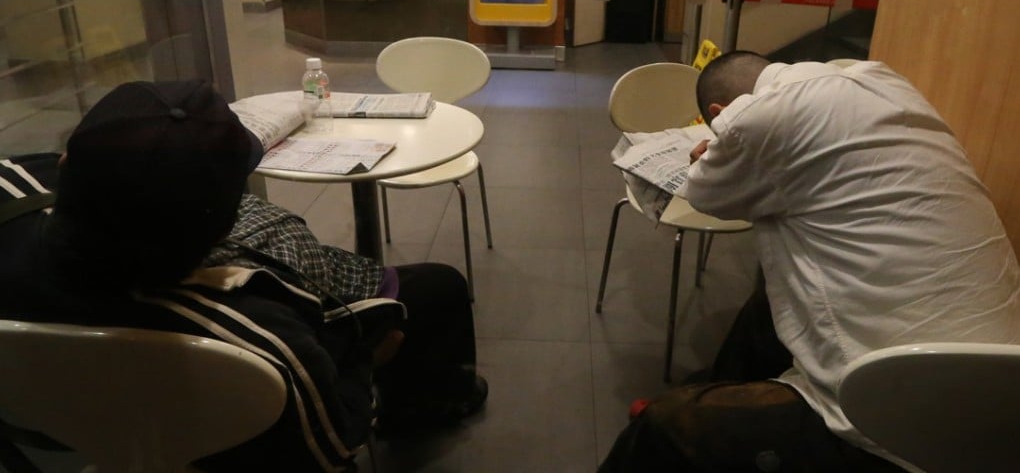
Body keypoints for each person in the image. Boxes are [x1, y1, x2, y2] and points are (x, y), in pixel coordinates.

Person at [0, 80, 487, 471]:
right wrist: (365, 361)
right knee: (438, 285)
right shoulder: (261, 340)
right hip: (221, 446)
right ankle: (427, 408)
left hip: (48, 430)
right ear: (226, 229)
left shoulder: (12, 195)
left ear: (67, 165)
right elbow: (332, 443)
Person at [599, 52, 1020, 472]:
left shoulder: (756, 121)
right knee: (767, 306)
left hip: (905, 420)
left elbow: (707, 194)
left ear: (719, 113)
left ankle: (697, 414)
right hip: (999, 382)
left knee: (664, 428)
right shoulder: (882, 82)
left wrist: (707, 155)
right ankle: (715, 390)